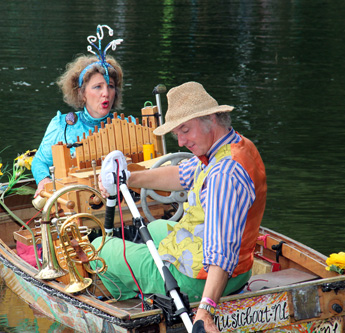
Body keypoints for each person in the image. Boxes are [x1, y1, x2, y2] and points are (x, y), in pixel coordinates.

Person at [93, 81, 267, 332]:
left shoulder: (223, 176)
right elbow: (183, 174)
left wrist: (205, 311)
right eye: (177, 133)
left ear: (210, 119)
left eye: (185, 130)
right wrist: (129, 177)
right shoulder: (234, 145)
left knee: (101, 249)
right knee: (156, 228)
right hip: (239, 267)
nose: (181, 142)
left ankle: (125, 286)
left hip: (203, 280)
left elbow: (221, 252)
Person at [32, 25, 128, 196]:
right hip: (74, 198)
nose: (106, 93)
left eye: (110, 87)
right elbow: (39, 161)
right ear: (82, 93)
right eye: (97, 87)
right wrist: (44, 180)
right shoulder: (62, 125)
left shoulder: (128, 127)